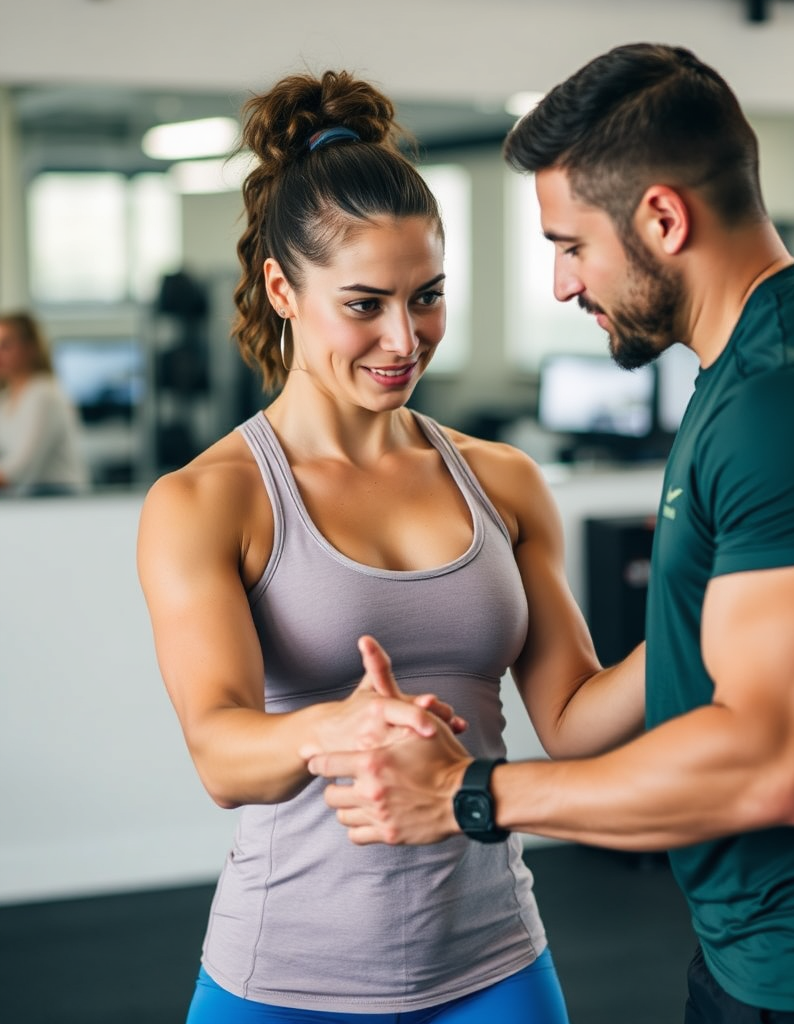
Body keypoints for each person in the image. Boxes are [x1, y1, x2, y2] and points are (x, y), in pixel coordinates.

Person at [305, 43, 794, 1023]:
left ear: (661, 218)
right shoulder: (750, 374)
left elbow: (772, 761)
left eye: (569, 245)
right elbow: (642, 685)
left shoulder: (790, 403)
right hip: (775, 951)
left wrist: (475, 794)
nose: (560, 284)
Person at [136, 67, 646, 1024]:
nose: (404, 339)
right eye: (365, 304)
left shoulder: (503, 480)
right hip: (284, 977)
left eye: (428, 298)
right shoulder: (210, 500)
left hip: (496, 960)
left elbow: (574, 719)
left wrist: (707, 625)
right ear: (282, 289)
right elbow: (220, 752)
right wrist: (337, 727)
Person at [0, 311, 90, 497]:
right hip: (29, 496)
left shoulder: (44, 394)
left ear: (30, 348)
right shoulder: (6, 398)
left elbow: (21, 466)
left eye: (6, 345)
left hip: (57, 496)